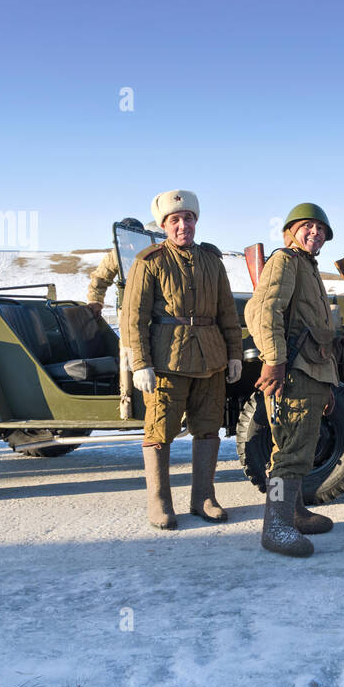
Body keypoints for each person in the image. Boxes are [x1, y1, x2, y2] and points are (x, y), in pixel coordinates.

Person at [123, 190, 243, 530]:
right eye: (175, 220)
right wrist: (140, 363)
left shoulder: (212, 261)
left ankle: (203, 498)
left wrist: (234, 354)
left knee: (207, 429)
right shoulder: (150, 262)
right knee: (159, 431)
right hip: (166, 361)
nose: (182, 225)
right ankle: (159, 502)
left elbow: (226, 313)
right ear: (164, 225)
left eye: (188, 218)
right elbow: (134, 318)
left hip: (210, 359)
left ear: (196, 222)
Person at [244, 202, 341, 558]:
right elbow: (264, 310)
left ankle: (295, 514)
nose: (315, 233)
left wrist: (328, 384)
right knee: (288, 453)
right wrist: (274, 361)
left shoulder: (308, 267)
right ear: (290, 232)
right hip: (294, 372)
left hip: (312, 372)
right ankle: (276, 526)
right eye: (307, 227)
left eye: (321, 229)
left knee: (301, 448)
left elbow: (321, 333)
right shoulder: (285, 260)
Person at [86, 217, 146, 316]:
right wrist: (95, 301)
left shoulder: (153, 253)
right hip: (129, 311)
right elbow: (100, 279)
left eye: (135, 242)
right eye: (127, 243)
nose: (132, 247)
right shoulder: (117, 255)